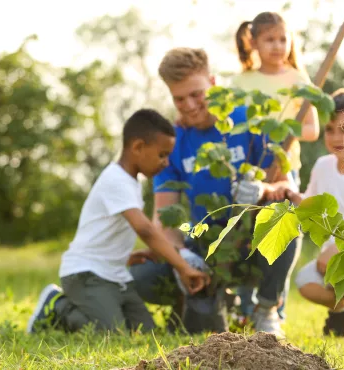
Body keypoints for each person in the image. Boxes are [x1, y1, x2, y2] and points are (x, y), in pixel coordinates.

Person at [128, 47, 300, 338]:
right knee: (143, 277)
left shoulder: (251, 120)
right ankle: (199, 299)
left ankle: (266, 309)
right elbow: (166, 218)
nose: (190, 105)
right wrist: (182, 254)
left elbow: (287, 189)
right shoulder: (173, 140)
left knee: (284, 217)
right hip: (202, 240)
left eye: (196, 94)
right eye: (179, 99)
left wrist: (263, 188)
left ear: (213, 83)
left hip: (250, 240)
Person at [26, 109, 210, 334]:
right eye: (162, 155)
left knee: (145, 332)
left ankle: (99, 309)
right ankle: (58, 307)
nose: (166, 162)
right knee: (112, 333)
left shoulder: (131, 182)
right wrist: (182, 266)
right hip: (86, 274)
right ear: (137, 147)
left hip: (114, 275)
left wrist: (128, 256)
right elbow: (145, 229)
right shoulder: (116, 180)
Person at [269, 89, 344, 337]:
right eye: (330, 129)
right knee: (305, 282)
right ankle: (342, 309)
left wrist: (342, 248)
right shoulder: (324, 166)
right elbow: (309, 203)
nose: (336, 137)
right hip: (333, 257)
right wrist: (288, 191)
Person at [232, 11, 321, 320]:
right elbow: (231, 128)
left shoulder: (297, 79)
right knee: (245, 235)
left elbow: (312, 130)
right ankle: (243, 304)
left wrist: (285, 131)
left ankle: (272, 308)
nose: (277, 46)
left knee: (281, 232)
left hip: (285, 170)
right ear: (253, 42)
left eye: (283, 39)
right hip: (250, 170)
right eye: (269, 40)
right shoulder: (243, 81)